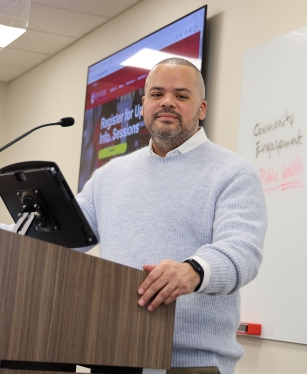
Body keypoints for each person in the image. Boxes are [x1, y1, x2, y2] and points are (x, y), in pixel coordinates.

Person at [74, 58, 268, 374]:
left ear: (202, 108)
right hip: (111, 355)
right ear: (142, 106)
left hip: (192, 364)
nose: (167, 102)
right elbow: (62, 236)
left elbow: (242, 252)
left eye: (181, 95)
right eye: (157, 94)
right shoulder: (109, 176)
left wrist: (194, 270)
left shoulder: (233, 173)